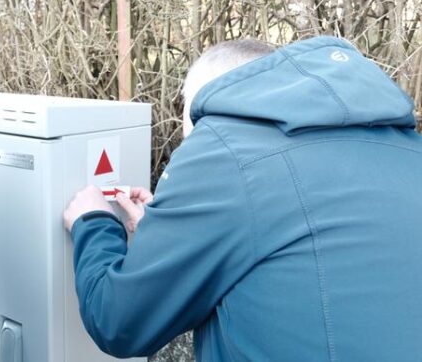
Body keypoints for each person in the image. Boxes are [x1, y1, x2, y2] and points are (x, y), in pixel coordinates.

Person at [64, 36, 422, 361]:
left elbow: (119, 321)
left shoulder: (226, 146)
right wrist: (170, 235)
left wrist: (93, 223)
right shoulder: (405, 149)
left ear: (210, 99)